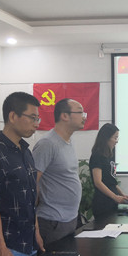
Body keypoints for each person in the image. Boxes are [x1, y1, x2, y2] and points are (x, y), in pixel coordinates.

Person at [0, 92, 44, 256]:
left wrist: (37, 232)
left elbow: (30, 198)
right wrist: (0, 247)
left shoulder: (26, 152)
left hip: (29, 243)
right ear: (13, 116)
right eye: (32, 118)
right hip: (9, 247)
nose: (36, 124)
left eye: (38, 118)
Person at [33, 98, 86, 245]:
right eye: (80, 112)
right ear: (64, 116)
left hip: (70, 219)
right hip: (52, 221)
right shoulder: (47, 144)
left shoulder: (69, 141)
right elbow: (31, 183)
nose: (84, 117)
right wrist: (34, 225)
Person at [89, 123, 128, 218]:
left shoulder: (109, 156)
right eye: (115, 138)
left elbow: (112, 181)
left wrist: (122, 195)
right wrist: (115, 197)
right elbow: (98, 182)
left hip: (112, 202)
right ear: (106, 138)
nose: (117, 141)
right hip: (103, 203)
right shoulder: (97, 156)